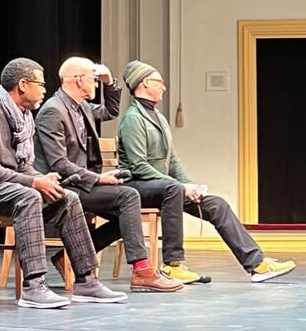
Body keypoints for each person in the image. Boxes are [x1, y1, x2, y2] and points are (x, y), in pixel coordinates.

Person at [0, 57, 127, 309]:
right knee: (28, 196)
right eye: (39, 84)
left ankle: (87, 281)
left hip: (2, 185)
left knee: (67, 197)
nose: (43, 89)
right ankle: (34, 286)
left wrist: (40, 178)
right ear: (22, 85)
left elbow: (21, 164)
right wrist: (33, 183)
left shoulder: (25, 116)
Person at [117, 60, 296, 284]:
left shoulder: (159, 118)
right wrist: (181, 187)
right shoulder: (133, 119)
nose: (164, 86)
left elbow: (172, 160)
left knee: (216, 204)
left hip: (164, 188)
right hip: (137, 187)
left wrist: (190, 185)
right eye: (159, 82)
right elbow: (138, 166)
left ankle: (257, 264)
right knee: (173, 189)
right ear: (144, 83)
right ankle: (172, 265)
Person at [34, 54, 180, 293]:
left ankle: (67, 257)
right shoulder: (54, 111)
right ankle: (142, 271)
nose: (96, 83)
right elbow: (59, 164)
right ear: (78, 80)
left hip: (83, 183)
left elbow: (110, 110)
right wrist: (99, 179)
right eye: (93, 79)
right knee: (128, 197)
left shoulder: (81, 107)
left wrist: (110, 81)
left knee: (127, 207)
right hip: (63, 186)